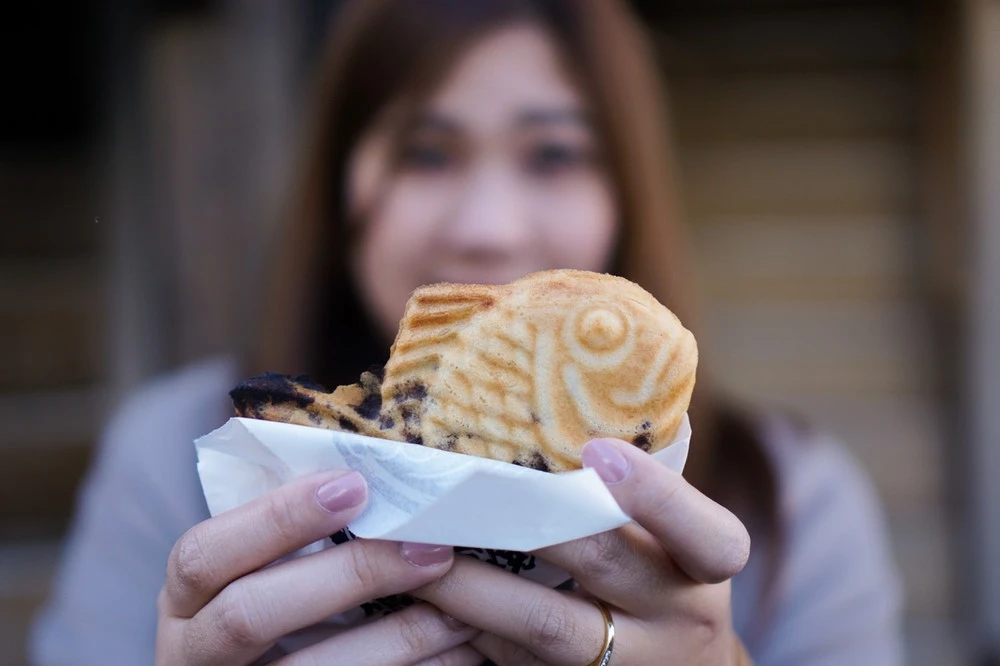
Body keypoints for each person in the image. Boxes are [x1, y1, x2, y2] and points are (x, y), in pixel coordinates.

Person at [31, 0, 904, 664]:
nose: (488, 227)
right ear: (344, 187)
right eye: (427, 151)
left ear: (624, 193)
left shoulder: (795, 502)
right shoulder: (178, 460)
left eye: (553, 154)